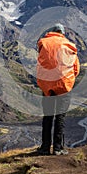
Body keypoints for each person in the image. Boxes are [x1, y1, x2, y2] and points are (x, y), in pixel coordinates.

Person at [36, 23, 80, 155]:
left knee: (48, 116)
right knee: (60, 116)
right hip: (64, 85)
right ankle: (58, 148)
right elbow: (76, 68)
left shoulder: (44, 43)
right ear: (62, 33)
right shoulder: (69, 45)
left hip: (47, 85)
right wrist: (68, 80)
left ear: (52, 32)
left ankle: (44, 147)